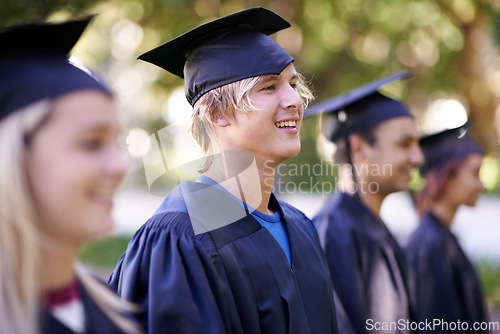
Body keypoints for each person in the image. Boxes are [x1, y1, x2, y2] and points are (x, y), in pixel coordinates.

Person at [109, 6, 338, 334]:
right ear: (217, 113)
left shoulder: (301, 227)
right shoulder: (178, 238)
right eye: (269, 87)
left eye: (292, 83)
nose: (294, 100)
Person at [0, 17, 142, 334]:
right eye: (91, 143)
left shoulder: (112, 307)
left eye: (118, 143)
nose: (121, 167)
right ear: (11, 159)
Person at [308, 72, 423, 334]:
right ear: (358, 149)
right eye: (405, 144)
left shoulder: (375, 227)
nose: (418, 157)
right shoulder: (333, 232)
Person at [406, 123, 489, 333]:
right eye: (475, 173)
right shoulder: (429, 244)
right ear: (445, 177)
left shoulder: (442, 237)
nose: (482, 185)